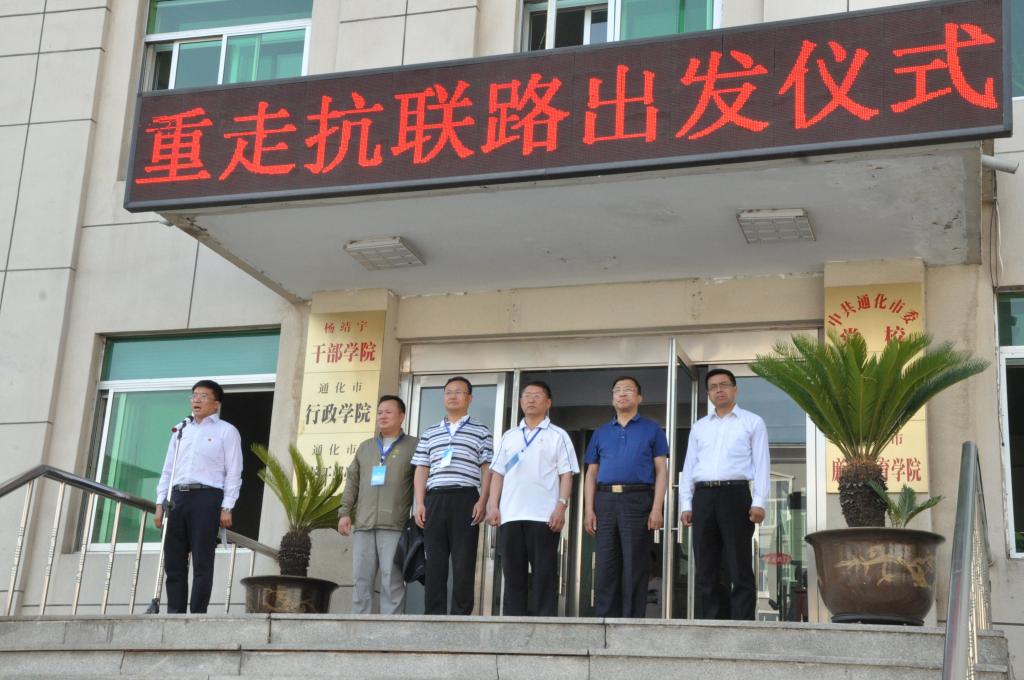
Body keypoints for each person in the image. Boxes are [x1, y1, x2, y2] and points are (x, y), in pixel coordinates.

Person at [680, 368, 770, 621]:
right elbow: (689, 467)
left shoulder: (752, 422)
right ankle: (711, 623)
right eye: (713, 387)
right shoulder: (699, 427)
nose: (718, 390)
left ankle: (742, 624)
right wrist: (686, 503)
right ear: (708, 393)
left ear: (735, 389)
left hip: (735, 494)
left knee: (738, 563)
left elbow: (762, 464)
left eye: (724, 385)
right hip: (703, 496)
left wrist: (759, 502)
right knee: (706, 565)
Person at [487, 381, 578, 616]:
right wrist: (493, 505)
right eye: (526, 395)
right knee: (513, 575)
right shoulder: (509, 436)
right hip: (510, 515)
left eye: (537, 395)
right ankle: (512, 624)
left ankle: (545, 625)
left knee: (544, 575)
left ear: (548, 403)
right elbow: (497, 474)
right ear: (520, 402)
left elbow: (566, 474)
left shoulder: (558, 435)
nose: (531, 399)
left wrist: (561, 507)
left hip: (544, 516)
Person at [154, 380, 242, 614]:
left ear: (216, 403)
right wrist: (160, 502)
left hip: (207, 498)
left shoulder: (226, 431)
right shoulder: (181, 430)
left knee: (202, 561)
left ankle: (197, 614)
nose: (197, 400)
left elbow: (234, 471)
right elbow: (168, 469)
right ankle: (175, 613)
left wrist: (227, 506)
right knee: (174, 561)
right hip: (177, 498)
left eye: (203, 396)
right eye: (194, 395)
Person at [583, 376, 669, 618]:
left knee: (635, 563)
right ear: (612, 398)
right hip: (605, 500)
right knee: (605, 564)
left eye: (628, 390)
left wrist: (657, 508)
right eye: (617, 390)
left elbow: (662, 471)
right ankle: (605, 619)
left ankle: (632, 621)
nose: (622, 394)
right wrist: (589, 509)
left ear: (639, 397)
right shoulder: (601, 432)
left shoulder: (652, 429)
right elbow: (591, 473)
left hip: (638, 499)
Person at [411, 376, 493, 615]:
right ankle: (433, 616)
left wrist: (483, 500)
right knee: (434, 562)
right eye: (448, 392)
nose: (453, 396)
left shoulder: (481, 431)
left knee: (463, 561)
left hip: (465, 498)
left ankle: (461, 616)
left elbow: (487, 469)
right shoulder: (430, 432)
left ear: (469, 398)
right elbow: (421, 469)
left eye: (458, 392)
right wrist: (420, 503)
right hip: (434, 499)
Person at [338, 395, 418, 614]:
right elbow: (352, 482)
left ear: (401, 416)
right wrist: (345, 512)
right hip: (364, 524)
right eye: (380, 412)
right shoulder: (365, 447)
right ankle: (359, 625)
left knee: (392, 580)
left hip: (394, 524)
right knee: (361, 579)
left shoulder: (414, 446)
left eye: (388, 412)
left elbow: (422, 482)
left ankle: (390, 628)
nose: (382, 416)